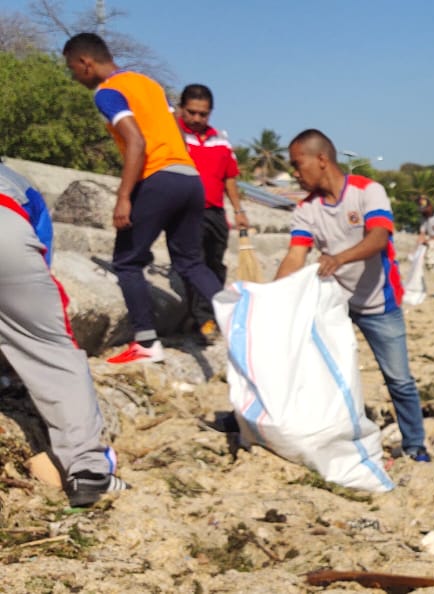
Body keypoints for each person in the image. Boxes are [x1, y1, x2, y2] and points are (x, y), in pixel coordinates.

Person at [63, 33, 224, 364]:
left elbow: (136, 142)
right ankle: (243, 317)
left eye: (72, 69)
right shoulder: (148, 84)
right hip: (190, 178)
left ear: (85, 62)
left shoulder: (107, 92)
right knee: (191, 262)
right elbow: (176, 131)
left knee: (127, 261)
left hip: (158, 177)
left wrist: (124, 197)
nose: (74, 76)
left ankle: (147, 344)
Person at [274, 129, 430, 463]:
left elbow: (378, 239)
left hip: (379, 302)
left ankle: (415, 444)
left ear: (321, 159)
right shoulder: (306, 209)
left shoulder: (367, 191)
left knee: (399, 380)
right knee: (329, 372)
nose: (295, 173)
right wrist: (271, 298)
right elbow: (294, 256)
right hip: (337, 305)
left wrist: (339, 258)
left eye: (298, 164)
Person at [0, 163, 128, 507]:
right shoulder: (18, 183)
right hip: (6, 228)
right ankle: (88, 470)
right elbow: (39, 262)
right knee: (53, 350)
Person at [176, 83, 249, 343]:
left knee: (215, 264)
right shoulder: (174, 136)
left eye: (203, 114)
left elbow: (230, 179)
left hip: (216, 213)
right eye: (192, 112)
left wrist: (238, 210)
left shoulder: (221, 141)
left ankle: (209, 314)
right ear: (181, 109)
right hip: (186, 213)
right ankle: (204, 319)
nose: (197, 119)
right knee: (195, 264)